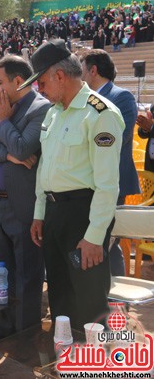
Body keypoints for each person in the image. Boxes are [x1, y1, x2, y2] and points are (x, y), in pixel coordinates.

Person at [21, 39, 124, 330]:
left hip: (84, 216)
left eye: (41, 82)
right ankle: (67, 362)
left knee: (89, 302)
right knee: (61, 298)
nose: (39, 89)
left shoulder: (100, 113)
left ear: (60, 76)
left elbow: (107, 184)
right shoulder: (54, 113)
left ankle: (98, 369)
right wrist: (40, 213)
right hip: (55, 215)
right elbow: (46, 170)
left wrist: (93, 237)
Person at [0, 56, 51, 338]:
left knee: (27, 274)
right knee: (1, 273)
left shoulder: (40, 110)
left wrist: (5, 124)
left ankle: (25, 332)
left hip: (25, 207)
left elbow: (24, 149)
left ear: (18, 81)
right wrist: (7, 155)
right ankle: (5, 325)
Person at [80, 49, 140, 276]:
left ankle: (115, 297)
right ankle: (99, 293)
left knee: (108, 240)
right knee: (95, 240)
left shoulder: (120, 97)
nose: (79, 75)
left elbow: (117, 139)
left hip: (112, 182)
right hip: (90, 182)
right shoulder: (86, 101)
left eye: (82, 69)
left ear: (93, 70)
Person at [136, 103, 154, 173]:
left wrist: (152, 128)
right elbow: (142, 134)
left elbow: (151, 127)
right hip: (150, 165)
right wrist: (144, 128)